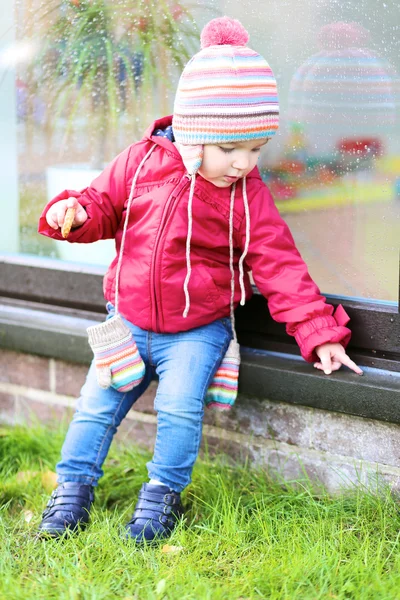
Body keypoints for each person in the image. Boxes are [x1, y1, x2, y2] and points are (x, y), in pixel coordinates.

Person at [37, 16, 362, 544]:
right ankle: (71, 492)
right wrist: (69, 212)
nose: (244, 163)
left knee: (178, 407)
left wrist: (318, 332)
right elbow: (100, 205)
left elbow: (278, 263)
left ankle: (159, 500)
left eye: (255, 150)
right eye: (231, 149)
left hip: (196, 329)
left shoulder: (246, 197)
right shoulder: (141, 163)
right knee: (95, 407)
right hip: (127, 320)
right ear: (194, 133)